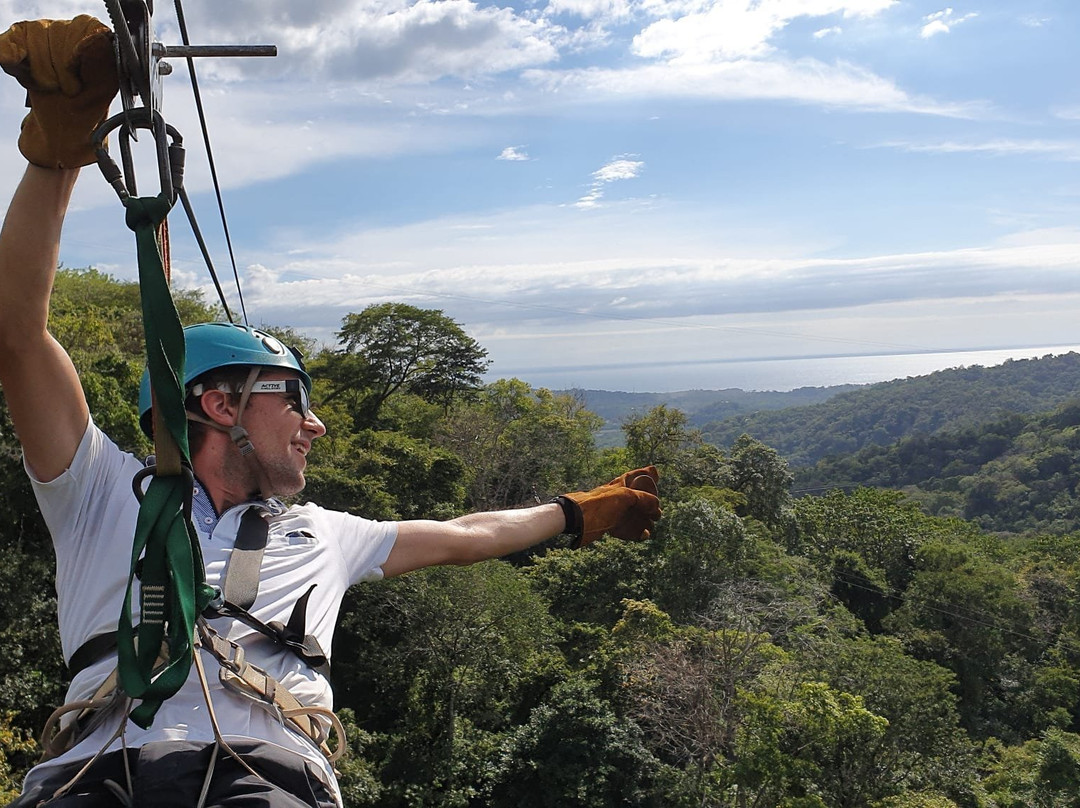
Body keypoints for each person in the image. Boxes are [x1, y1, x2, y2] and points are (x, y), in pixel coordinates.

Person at [0, 16, 662, 808]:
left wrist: (578, 512)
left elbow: (466, 536)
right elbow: (16, 334)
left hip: (261, 773)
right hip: (95, 775)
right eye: (295, 401)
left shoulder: (325, 535)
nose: (315, 427)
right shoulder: (99, 494)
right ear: (220, 404)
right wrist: (58, 154)